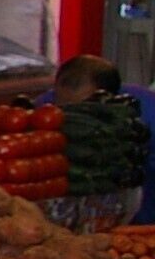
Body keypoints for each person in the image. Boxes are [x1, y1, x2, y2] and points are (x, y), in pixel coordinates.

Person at [56, 54, 155, 222]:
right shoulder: (45, 109)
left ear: (110, 100)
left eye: (83, 109)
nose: (71, 115)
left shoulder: (147, 117)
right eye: (63, 106)